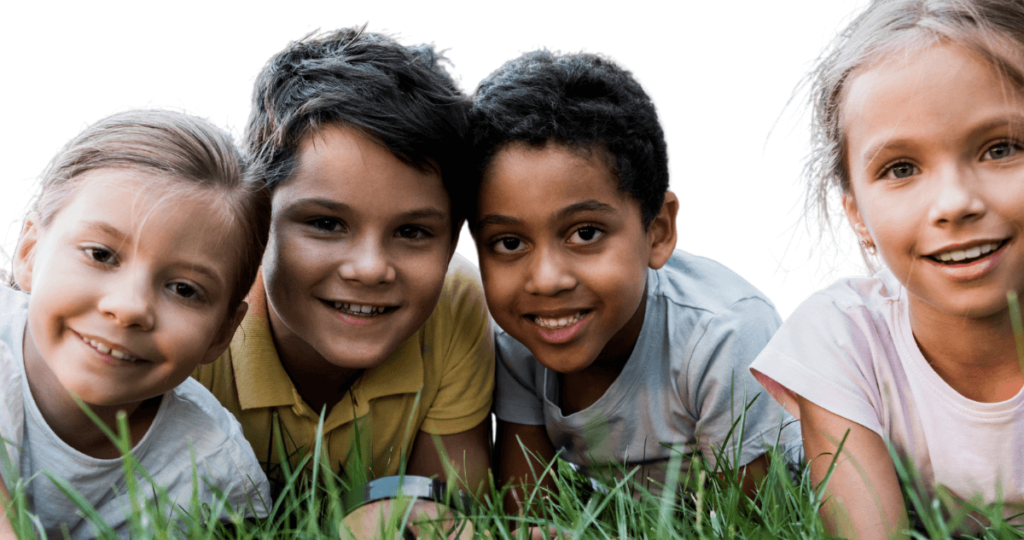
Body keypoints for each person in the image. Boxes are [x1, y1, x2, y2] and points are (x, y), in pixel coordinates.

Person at [470, 50, 799, 509]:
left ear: (658, 231)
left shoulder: (723, 336)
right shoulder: (518, 343)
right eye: (508, 243)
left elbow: (760, 521)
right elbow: (528, 512)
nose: (545, 281)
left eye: (585, 233)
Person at [750, 0, 1024, 537]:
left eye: (1001, 148)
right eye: (901, 168)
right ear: (856, 213)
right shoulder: (842, 339)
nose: (954, 203)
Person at [193, 27, 494, 497]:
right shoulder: (193, 311)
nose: (370, 268)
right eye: (326, 224)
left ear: (454, 237)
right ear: (257, 217)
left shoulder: (454, 302)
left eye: (412, 232)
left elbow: (442, 513)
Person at [0, 110, 271, 538]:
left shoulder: (213, 471)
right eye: (101, 254)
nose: (129, 308)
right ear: (30, 252)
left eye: (184, 289)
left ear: (221, 332)